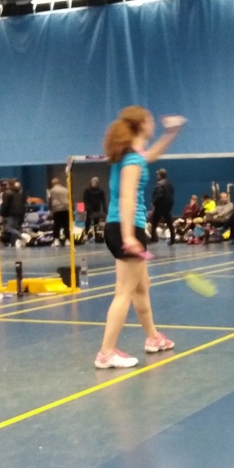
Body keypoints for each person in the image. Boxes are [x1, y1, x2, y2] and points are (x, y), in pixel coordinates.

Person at [94, 107, 184, 369]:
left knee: (142, 286)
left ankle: (153, 338)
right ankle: (106, 353)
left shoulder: (132, 155)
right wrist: (128, 237)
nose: (153, 123)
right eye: (150, 121)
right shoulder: (132, 160)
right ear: (141, 125)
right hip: (127, 228)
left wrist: (171, 133)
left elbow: (152, 154)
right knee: (124, 293)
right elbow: (127, 198)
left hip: (123, 227)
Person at [148, 168, 175, 244]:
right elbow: (172, 195)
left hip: (159, 207)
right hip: (167, 207)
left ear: (160, 175)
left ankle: (153, 238)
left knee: (154, 222)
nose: (157, 176)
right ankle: (172, 239)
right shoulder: (169, 184)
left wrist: (153, 202)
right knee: (170, 224)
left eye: (158, 174)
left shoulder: (159, 184)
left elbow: (158, 195)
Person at [0, 180, 26, 245]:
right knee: (14, 228)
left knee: (8, 228)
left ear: (8, 185)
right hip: (19, 213)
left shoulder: (7, 193)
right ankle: (12, 244)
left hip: (10, 213)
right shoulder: (19, 193)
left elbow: (5, 204)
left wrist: (2, 213)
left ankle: (22, 236)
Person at [48, 177, 70, 246]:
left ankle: (56, 240)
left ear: (53, 183)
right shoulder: (65, 189)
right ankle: (68, 240)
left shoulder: (51, 191)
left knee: (56, 225)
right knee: (66, 225)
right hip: (66, 208)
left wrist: (50, 209)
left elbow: (50, 200)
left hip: (56, 209)